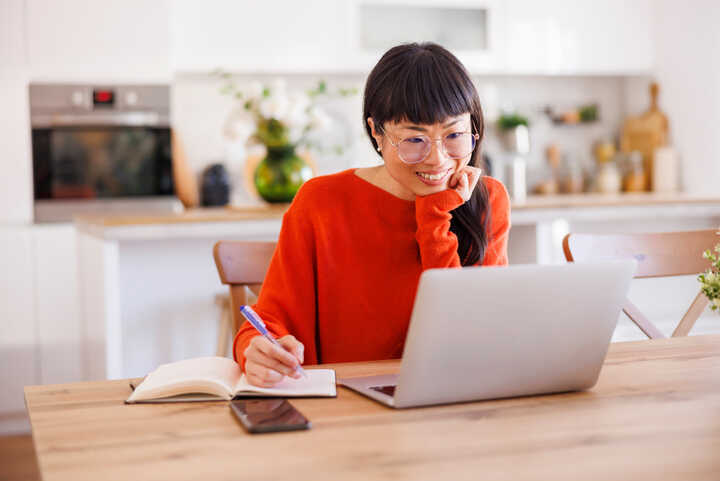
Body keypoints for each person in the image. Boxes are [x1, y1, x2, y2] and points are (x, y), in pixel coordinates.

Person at [236, 42, 511, 387]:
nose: (438, 160)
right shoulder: (320, 202)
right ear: (377, 133)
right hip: (347, 411)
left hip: (453, 398)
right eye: (415, 140)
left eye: (454, 135)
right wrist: (257, 348)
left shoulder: (488, 199)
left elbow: (472, 332)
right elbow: (267, 322)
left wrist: (435, 215)